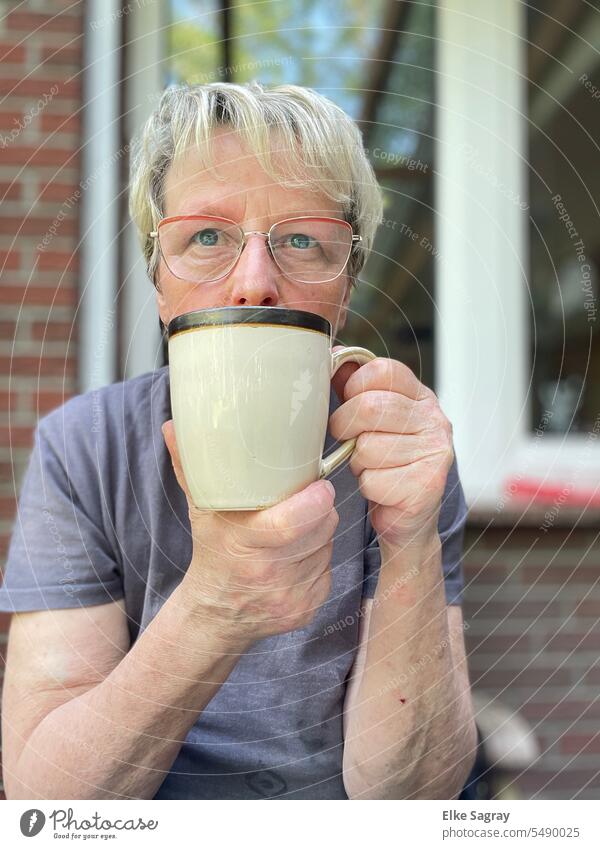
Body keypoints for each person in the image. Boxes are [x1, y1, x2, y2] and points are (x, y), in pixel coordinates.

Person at [0, 82, 477, 800]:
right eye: (207, 236)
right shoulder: (84, 448)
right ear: (160, 282)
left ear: (344, 288)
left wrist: (410, 541)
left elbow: (410, 800)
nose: (254, 281)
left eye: (301, 240)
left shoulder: (398, 453)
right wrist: (219, 602)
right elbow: (49, 803)